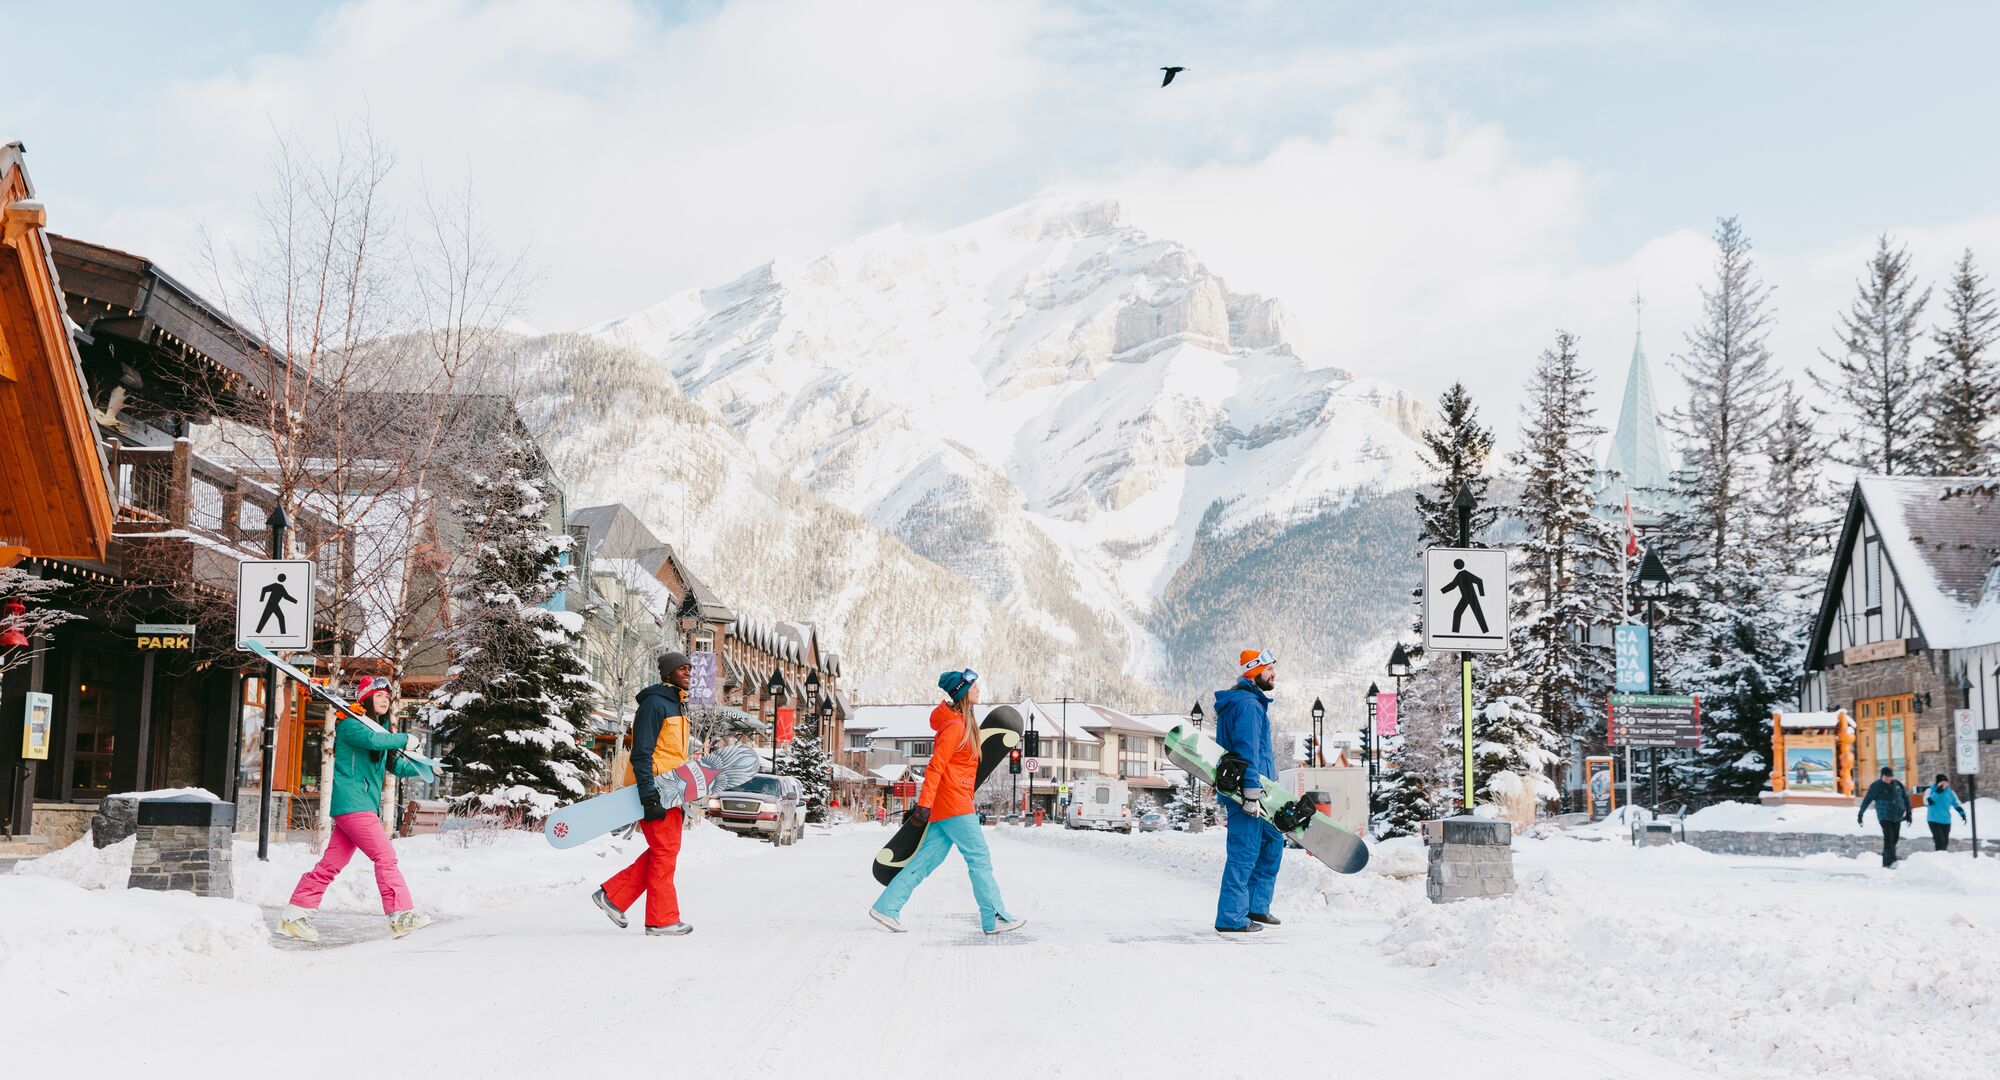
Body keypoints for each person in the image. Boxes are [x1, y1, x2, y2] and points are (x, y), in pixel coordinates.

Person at [869, 669, 1022, 936]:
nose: (978, 690)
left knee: (926, 859)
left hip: (950, 803)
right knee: (979, 858)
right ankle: (994, 916)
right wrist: (923, 805)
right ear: (963, 691)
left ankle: (887, 907)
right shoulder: (954, 727)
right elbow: (936, 767)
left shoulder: (962, 723)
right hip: (954, 804)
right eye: (974, 687)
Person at [279, 677, 433, 941]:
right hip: (354, 806)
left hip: (358, 808)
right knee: (385, 856)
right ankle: (400, 915)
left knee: (330, 864)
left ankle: (295, 915)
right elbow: (374, 740)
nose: (385, 699)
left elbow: (396, 766)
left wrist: (432, 765)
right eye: (379, 695)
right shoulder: (351, 725)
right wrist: (405, 738)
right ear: (366, 699)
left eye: (388, 696)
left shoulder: (379, 734)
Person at [595, 652, 697, 936]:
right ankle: (661, 919)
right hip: (655, 789)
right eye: (681, 668)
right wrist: (648, 795)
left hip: (672, 790)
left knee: (665, 851)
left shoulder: (678, 707)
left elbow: (672, 754)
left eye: (689, 668)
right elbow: (641, 754)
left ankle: (613, 896)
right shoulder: (654, 705)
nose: (688, 672)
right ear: (667, 674)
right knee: (665, 852)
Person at [1213, 649, 1282, 934]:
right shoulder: (1248, 706)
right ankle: (1231, 918)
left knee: (1272, 843)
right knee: (1244, 853)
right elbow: (1247, 751)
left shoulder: (1250, 703)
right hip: (1249, 792)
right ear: (1254, 673)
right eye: (1268, 670)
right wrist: (1251, 793)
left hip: (1264, 790)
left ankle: (1256, 906)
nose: (1274, 673)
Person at [1857, 766, 1912, 868]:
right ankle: (1892, 861)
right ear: (1882, 776)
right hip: (1884, 816)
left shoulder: (1897, 784)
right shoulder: (1876, 786)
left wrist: (1909, 813)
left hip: (1897, 816)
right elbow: (1867, 800)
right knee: (1889, 839)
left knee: (1895, 838)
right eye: (1886, 776)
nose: (1888, 779)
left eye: (1890, 776)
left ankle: (1886, 862)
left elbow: (1905, 798)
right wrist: (1860, 814)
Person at [1924, 774, 1968, 851]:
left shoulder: (1950, 792)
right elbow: (1927, 802)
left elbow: (1957, 804)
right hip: (1933, 820)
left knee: (1945, 842)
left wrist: (1963, 815)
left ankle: (1943, 859)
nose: (1944, 785)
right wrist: (1937, 792)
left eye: (1946, 783)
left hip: (1946, 820)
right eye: (1942, 783)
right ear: (1937, 783)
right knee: (1939, 841)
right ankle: (1939, 858)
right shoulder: (1930, 790)